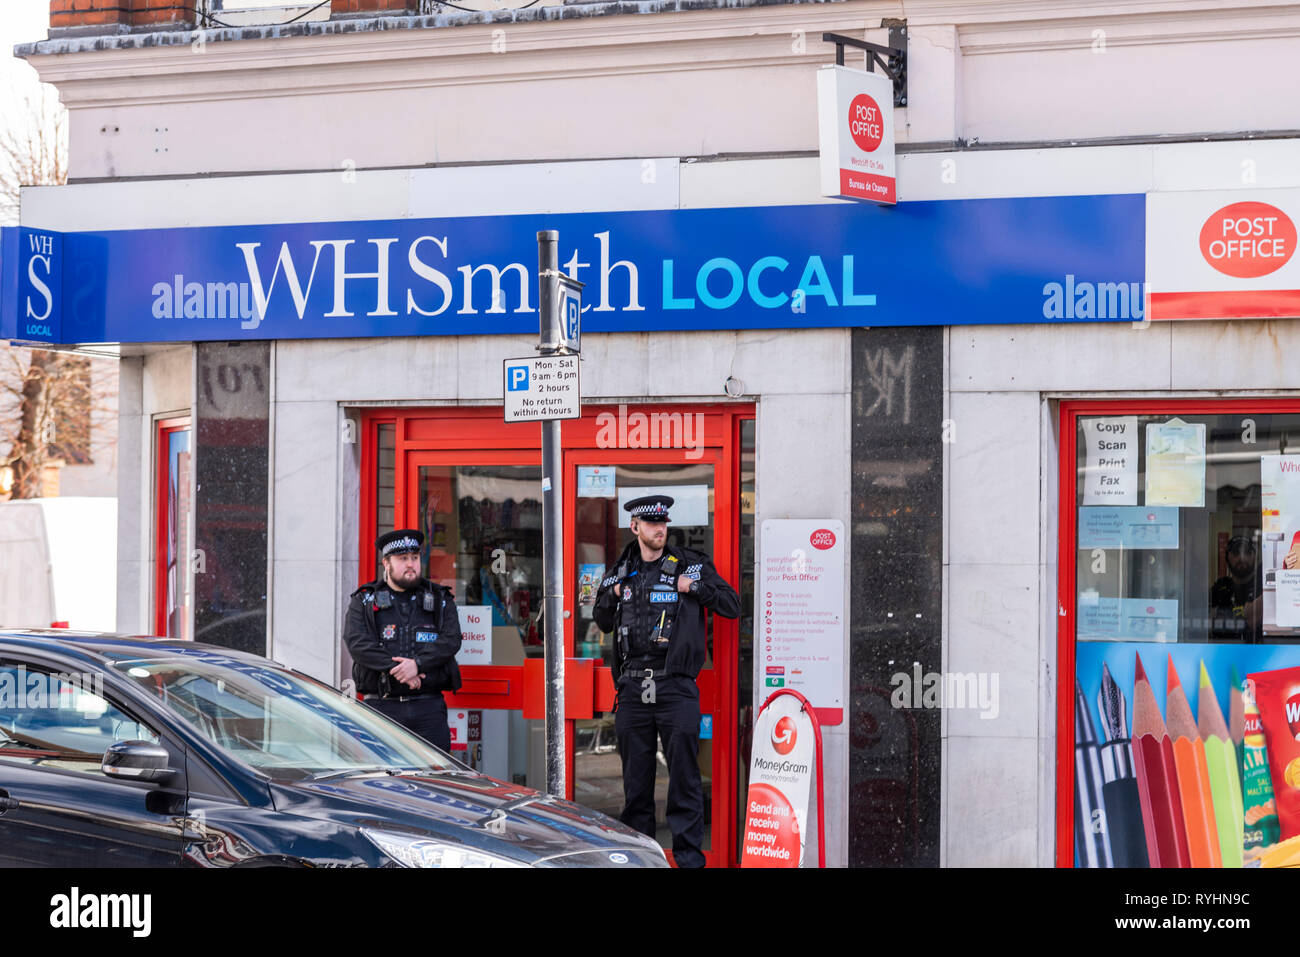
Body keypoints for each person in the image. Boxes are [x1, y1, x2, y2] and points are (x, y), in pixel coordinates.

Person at [594, 494, 741, 868]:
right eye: (651, 523)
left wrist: (696, 589)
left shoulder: (689, 566)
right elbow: (602, 619)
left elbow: (731, 604)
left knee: (684, 782)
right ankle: (640, 860)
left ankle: (689, 860)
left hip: (675, 687)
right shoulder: (621, 569)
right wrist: (610, 597)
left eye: (663, 523)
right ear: (635, 527)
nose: (660, 529)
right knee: (636, 786)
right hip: (631, 689)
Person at [344, 529, 462, 750]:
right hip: (381, 708)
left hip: (429, 708)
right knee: (384, 780)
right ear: (386, 563)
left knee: (435, 780)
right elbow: (357, 643)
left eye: (415, 558)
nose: (411, 564)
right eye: (402, 558)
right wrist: (400, 670)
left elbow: (451, 639)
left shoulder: (439, 598)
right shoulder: (364, 600)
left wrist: (417, 665)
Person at [1210, 534, 1261, 640]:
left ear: (1254, 556)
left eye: (1246, 552)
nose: (1241, 557)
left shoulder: (1262, 587)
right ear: (1228, 557)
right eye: (1236, 553)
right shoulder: (1220, 587)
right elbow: (1204, 620)